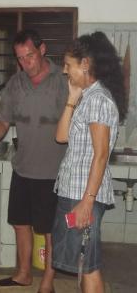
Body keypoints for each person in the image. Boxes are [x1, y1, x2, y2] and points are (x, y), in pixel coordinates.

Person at [0, 29, 68, 293]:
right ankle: (23, 274)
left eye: (29, 56)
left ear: (41, 50)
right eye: (20, 58)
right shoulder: (15, 84)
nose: (25, 63)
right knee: (20, 223)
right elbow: (2, 120)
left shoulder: (62, 80)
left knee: (49, 231)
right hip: (23, 167)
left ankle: (47, 283)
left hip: (53, 172)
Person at [52, 31, 127, 293]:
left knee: (90, 264)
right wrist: (71, 99)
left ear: (85, 64)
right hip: (74, 192)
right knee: (83, 262)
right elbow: (61, 137)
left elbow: (101, 154)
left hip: (83, 196)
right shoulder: (86, 97)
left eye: (68, 65)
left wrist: (87, 201)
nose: (64, 71)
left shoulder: (98, 100)